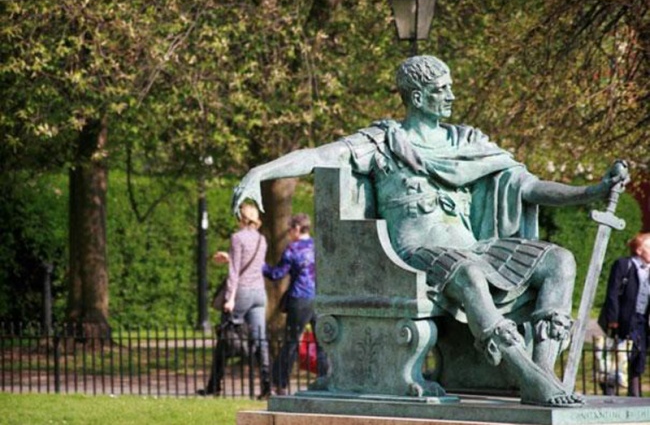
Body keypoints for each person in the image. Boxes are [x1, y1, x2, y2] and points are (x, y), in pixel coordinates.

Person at [230, 55, 628, 407]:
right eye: (442, 89)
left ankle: (540, 373)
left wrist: (591, 191)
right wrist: (259, 173)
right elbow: (319, 156)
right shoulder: (383, 143)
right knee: (469, 273)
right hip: (412, 254)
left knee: (559, 260)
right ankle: (525, 373)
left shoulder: (467, 142)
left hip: (475, 249)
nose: (452, 96)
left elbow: (528, 186)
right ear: (417, 97)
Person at [198, 203, 271, 399]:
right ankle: (267, 386)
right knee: (261, 340)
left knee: (225, 337)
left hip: (242, 293)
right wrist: (230, 257)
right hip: (259, 293)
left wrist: (230, 298)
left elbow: (234, 273)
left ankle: (214, 385)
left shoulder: (237, 238)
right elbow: (255, 265)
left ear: (241, 218)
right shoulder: (261, 239)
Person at [263, 213, 329, 395]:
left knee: (291, 342)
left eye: (289, 230)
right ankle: (325, 380)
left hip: (300, 299)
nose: (289, 234)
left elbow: (276, 274)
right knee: (322, 342)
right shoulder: (319, 246)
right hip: (319, 299)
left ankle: (279, 384)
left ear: (297, 229)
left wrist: (259, 265)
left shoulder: (293, 249)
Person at [599, 232, 650, 396]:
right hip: (624, 318)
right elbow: (612, 293)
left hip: (642, 319)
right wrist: (613, 319)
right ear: (639, 250)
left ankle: (634, 395)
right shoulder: (624, 264)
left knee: (638, 356)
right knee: (617, 356)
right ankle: (610, 394)